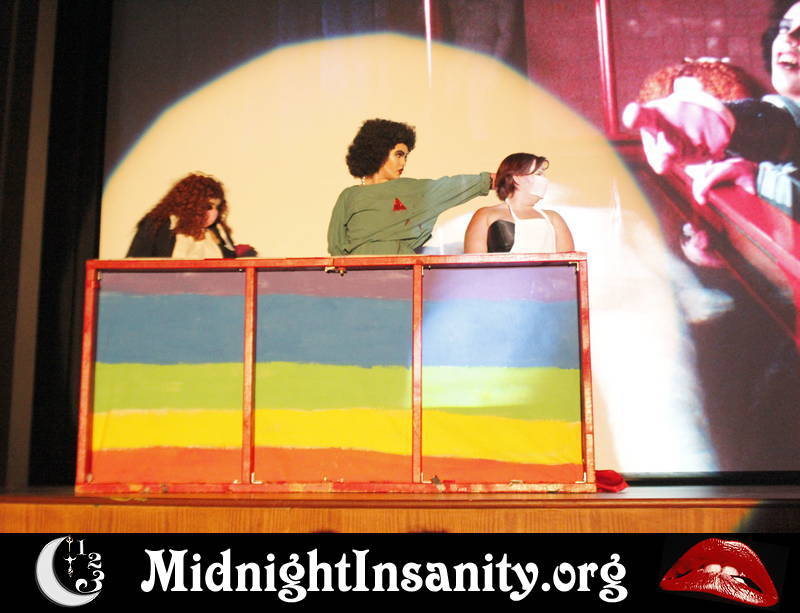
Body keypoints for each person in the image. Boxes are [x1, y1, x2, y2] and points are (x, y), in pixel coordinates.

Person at [622, 1, 800, 206]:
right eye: (784, 28)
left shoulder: (781, 128)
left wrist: (726, 119)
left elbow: (781, 129)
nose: (788, 37)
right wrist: (758, 174)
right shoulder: (779, 137)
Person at [327, 118, 494, 255]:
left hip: (403, 272)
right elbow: (336, 247)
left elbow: (460, 185)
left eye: (405, 157)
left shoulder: (413, 189)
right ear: (378, 151)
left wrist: (505, 178)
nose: (403, 163)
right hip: (357, 274)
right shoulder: (350, 195)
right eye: (399, 155)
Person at [126, 172, 256, 258]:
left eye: (217, 207)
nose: (214, 212)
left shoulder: (217, 231)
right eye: (208, 206)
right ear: (190, 204)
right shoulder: (159, 225)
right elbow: (135, 267)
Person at [463, 152, 573, 253]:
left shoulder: (554, 218)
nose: (545, 180)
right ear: (517, 178)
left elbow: (570, 261)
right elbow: (473, 262)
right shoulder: (486, 215)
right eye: (539, 174)